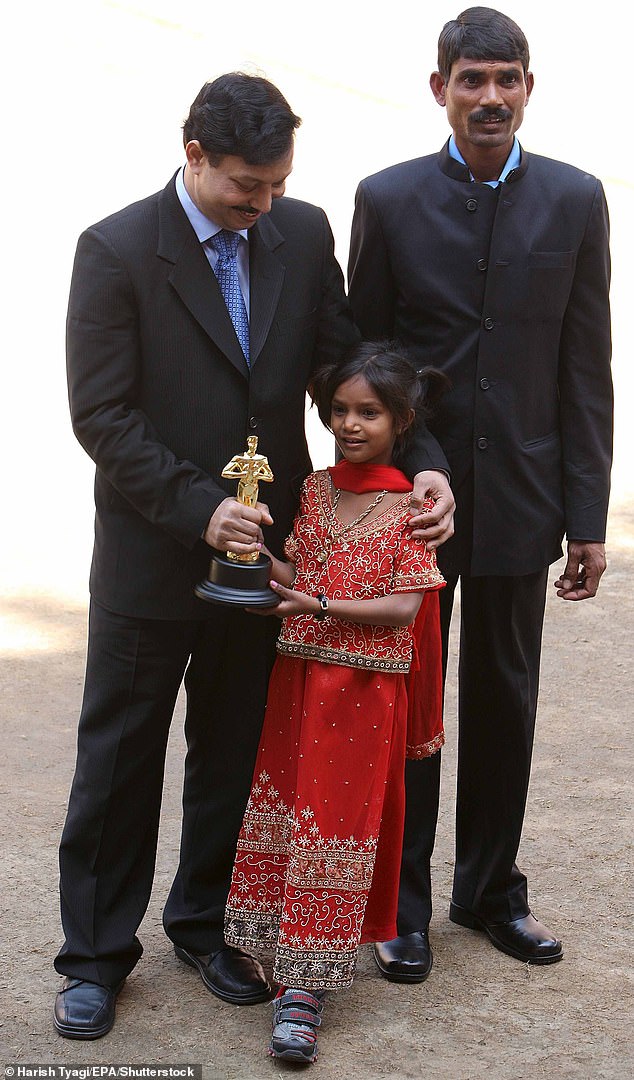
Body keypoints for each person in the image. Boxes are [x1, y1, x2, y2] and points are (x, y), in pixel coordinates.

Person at [53, 74, 454, 1040]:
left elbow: (348, 363)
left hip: (269, 571)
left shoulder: (304, 232)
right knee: (120, 761)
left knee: (233, 751)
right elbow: (102, 416)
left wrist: (426, 460)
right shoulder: (113, 251)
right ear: (193, 155)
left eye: (276, 184)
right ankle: (96, 959)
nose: (263, 203)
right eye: (246, 186)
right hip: (154, 563)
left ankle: (202, 926)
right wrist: (204, 511)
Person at [348, 6, 613, 980]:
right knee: (412, 705)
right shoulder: (387, 197)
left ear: (528, 89)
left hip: (528, 500)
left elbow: (586, 366)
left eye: (507, 79)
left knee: (506, 699)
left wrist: (587, 513)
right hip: (413, 506)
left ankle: (489, 890)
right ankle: (401, 904)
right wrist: (402, 467)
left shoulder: (578, 201)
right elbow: (364, 360)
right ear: (440, 89)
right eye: (472, 79)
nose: (490, 97)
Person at [224, 343, 446, 1063]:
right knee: (288, 814)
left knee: (336, 831)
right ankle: (270, 952)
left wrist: (314, 602)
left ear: (401, 420)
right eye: (339, 411)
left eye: (369, 412)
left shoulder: (411, 504)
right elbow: (301, 571)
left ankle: (306, 993)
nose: (350, 424)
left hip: (363, 699)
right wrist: (257, 560)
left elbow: (405, 607)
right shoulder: (315, 490)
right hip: (299, 688)